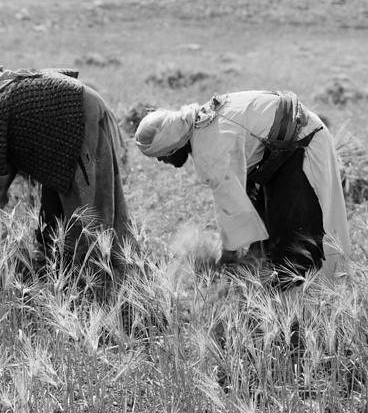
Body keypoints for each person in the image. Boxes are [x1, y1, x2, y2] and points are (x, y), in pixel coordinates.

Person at [0, 67, 133, 272]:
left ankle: (104, 272)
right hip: (62, 125)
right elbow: (5, 170)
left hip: (75, 116)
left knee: (87, 209)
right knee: (54, 214)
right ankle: (63, 266)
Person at [135, 90, 350, 286]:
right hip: (283, 152)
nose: (161, 162)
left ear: (172, 146)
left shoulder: (208, 150)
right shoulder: (202, 122)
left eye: (159, 155)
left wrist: (228, 257)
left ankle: (309, 307)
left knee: (295, 243)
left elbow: (233, 208)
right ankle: (289, 297)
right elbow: (242, 184)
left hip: (301, 147)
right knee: (278, 235)